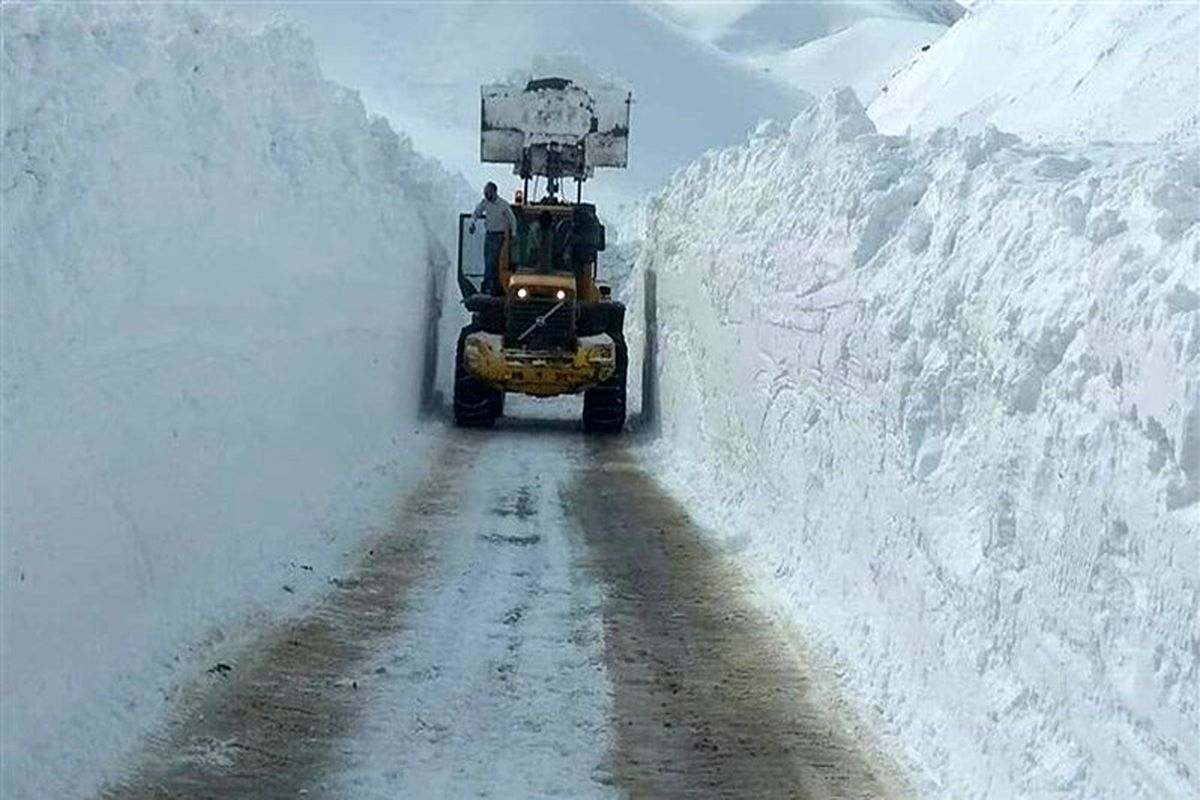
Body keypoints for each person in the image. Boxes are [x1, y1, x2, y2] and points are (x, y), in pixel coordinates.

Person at [470, 181, 518, 295]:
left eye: (488, 192)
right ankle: (487, 286)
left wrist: (514, 235)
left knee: (496, 262)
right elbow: (476, 212)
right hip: (489, 235)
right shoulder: (485, 203)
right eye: (485, 192)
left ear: (494, 192)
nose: (486, 195)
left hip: (499, 236)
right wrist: (472, 223)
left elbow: (512, 220)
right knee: (488, 261)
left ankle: (495, 287)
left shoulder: (503, 205)